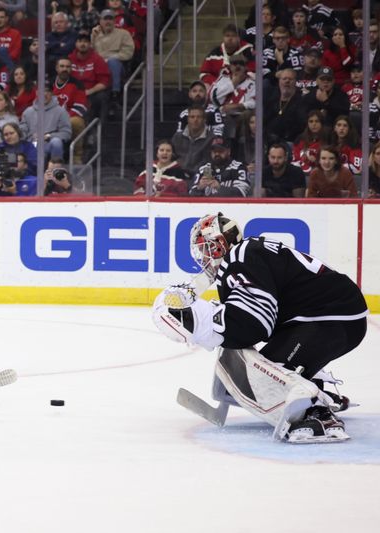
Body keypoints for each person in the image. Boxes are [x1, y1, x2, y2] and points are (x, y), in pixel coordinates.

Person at [152, 212, 367, 443]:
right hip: (327, 317)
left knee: (268, 375)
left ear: (219, 244)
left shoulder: (239, 256)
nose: (203, 257)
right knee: (263, 368)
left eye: (205, 248)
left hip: (332, 318)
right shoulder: (243, 256)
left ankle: (319, 416)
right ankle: (314, 384)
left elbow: (255, 324)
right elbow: (254, 322)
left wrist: (201, 322)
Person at [90, 9, 134, 104]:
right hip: (99, 67)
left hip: (118, 66)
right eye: (105, 19)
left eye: (110, 19)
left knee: (113, 62)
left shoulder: (123, 33)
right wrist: (92, 37)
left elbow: (128, 52)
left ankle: (115, 93)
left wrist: (110, 58)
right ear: (100, 21)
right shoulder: (95, 34)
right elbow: (90, 53)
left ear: (114, 21)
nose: (108, 22)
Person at [19, 84, 72, 161]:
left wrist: (48, 136)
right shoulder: (28, 112)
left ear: (52, 93)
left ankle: (55, 169)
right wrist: (30, 137)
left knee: (56, 142)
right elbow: (22, 132)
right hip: (32, 144)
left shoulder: (61, 111)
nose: (44, 94)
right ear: (37, 93)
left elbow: (67, 133)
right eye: (41, 91)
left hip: (49, 144)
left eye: (47, 91)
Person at [68, 31, 111, 123]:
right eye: (80, 41)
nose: (82, 44)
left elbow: (104, 82)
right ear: (75, 44)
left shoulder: (97, 59)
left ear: (90, 44)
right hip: (73, 92)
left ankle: (98, 129)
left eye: (85, 42)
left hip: (91, 92)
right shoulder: (69, 59)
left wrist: (88, 92)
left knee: (102, 97)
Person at [199, 24, 255, 89]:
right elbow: (204, 74)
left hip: (242, 87)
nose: (230, 39)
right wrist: (217, 83)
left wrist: (237, 80)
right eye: (227, 36)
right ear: (223, 37)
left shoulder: (248, 51)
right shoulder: (214, 54)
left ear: (239, 38)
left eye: (233, 36)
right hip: (219, 88)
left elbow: (254, 72)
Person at [171, 106, 213, 175]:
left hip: (198, 176)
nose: (195, 120)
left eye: (199, 117)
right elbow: (171, 157)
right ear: (188, 119)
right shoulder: (177, 136)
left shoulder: (211, 138)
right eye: (192, 117)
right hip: (177, 174)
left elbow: (209, 163)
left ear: (204, 120)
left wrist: (205, 178)